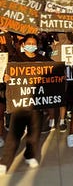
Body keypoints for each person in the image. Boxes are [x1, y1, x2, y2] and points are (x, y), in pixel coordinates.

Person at [0, 33, 53, 175]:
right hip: (20, 104)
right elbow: (6, 75)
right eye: (29, 43)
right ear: (23, 44)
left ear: (37, 45)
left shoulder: (42, 60)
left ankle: (29, 155)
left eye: (34, 43)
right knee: (14, 134)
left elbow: (55, 71)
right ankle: (5, 162)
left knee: (34, 133)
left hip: (36, 103)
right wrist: (6, 77)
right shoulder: (16, 60)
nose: (32, 45)